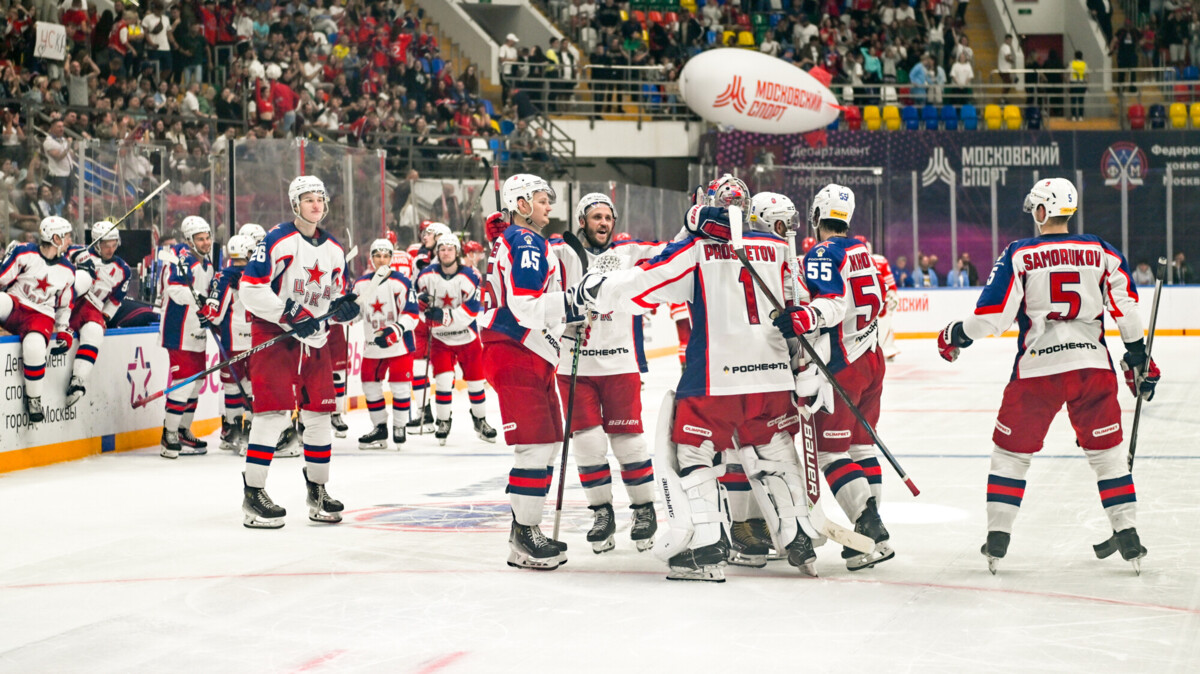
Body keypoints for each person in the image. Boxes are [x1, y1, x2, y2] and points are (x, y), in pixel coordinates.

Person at [572, 191, 819, 582]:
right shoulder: (777, 245)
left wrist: (598, 289)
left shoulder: (698, 248)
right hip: (772, 375)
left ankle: (705, 547)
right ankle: (798, 536)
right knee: (775, 450)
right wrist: (804, 368)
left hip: (714, 378)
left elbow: (647, 283)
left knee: (693, 453)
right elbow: (803, 309)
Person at [938, 178, 1156, 574]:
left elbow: (992, 317)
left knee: (1011, 454)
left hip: (1038, 369)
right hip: (1092, 367)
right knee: (1107, 456)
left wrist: (956, 335)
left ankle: (998, 538)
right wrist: (1138, 355)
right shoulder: (1101, 250)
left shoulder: (1019, 253)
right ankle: (1128, 533)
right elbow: (1126, 307)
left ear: (1042, 211)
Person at [773, 185, 893, 572]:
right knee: (860, 445)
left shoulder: (823, 252)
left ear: (816, 215)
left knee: (830, 451)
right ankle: (877, 532)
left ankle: (867, 526)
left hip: (844, 364)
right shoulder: (861, 250)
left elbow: (832, 302)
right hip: (872, 356)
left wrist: (802, 319)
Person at [238, 175, 360, 529]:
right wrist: (287, 314)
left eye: (320, 198)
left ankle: (318, 491)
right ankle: (253, 495)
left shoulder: (335, 249)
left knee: (320, 417)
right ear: (295, 205)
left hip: (316, 340)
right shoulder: (278, 239)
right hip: (276, 338)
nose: (316, 205)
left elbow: (334, 295)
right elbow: (250, 289)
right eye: (308, 199)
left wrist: (343, 310)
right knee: (272, 415)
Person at [552, 193, 662, 554]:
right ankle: (602, 513)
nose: (603, 223)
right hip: (574, 366)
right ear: (581, 221)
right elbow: (526, 256)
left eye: (607, 217)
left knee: (628, 441)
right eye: (595, 217)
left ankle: (644, 510)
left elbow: (675, 249)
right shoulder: (561, 251)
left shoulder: (630, 253)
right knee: (588, 444)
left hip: (620, 364)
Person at [478, 173, 571, 570]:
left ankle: (524, 530)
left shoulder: (524, 240)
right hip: (516, 347)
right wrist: (573, 306)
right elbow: (526, 306)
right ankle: (525, 533)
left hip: (530, 350)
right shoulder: (527, 240)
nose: (549, 205)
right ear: (521, 204)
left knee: (547, 441)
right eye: (541, 199)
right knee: (534, 443)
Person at [415, 232, 497, 445]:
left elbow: (471, 310)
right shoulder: (426, 275)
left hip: (467, 337)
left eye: (450, 249)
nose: (446, 252)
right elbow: (417, 304)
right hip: (441, 340)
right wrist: (422, 306)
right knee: (443, 381)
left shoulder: (471, 275)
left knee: (476, 382)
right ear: (438, 252)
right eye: (442, 249)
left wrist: (442, 316)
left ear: (457, 252)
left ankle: (480, 420)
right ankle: (443, 421)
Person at [0, 216, 76, 422]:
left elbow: (64, 305)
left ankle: (34, 398)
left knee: (34, 348)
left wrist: (63, 329)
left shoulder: (68, 271)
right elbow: (1, 278)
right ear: (56, 238)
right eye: (67, 236)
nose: (70, 241)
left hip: (41, 315)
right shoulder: (24, 253)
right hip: (16, 304)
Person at [158, 215, 215, 458]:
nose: (206, 242)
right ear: (189, 240)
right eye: (200, 239)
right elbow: (174, 289)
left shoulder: (208, 263)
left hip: (197, 329)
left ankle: (183, 430)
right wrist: (198, 299)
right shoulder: (179, 258)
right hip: (178, 328)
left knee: (197, 382)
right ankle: (168, 434)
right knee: (183, 382)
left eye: (207, 237)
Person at [355, 238, 420, 450]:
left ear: (391, 258)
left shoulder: (402, 282)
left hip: (399, 345)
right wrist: (341, 312)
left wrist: (396, 329)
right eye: (377, 256)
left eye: (385, 256)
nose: (381, 260)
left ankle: (400, 426)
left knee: (400, 387)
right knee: (369, 385)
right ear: (371, 258)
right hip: (372, 346)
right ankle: (380, 427)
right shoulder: (361, 284)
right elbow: (354, 314)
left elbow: (411, 314)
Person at [63, 221, 132, 408]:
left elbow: (116, 300)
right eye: (105, 245)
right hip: (70, 304)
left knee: (94, 333)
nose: (110, 250)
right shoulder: (81, 253)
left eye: (113, 245)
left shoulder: (122, 269)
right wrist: (77, 254)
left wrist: (105, 316)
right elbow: (66, 251)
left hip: (94, 308)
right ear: (95, 243)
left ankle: (77, 381)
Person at [202, 234, 254, 453]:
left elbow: (214, 314)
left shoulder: (223, 275)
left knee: (233, 385)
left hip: (232, 337)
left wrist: (204, 310)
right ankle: (249, 429)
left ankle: (232, 429)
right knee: (252, 385)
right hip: (256, 337)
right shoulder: (259, 273)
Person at [406, 220, 452, 435]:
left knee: (444, 372)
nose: (425, 237)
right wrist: (418, 297)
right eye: (424, 233)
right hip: (422, 321)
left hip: (443, 323)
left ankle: (445, 415)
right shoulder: (420, 259)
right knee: (417, 367)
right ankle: (423, 412)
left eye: (430, 234)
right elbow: (412, 288)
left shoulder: (452, 262)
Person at [1069, 50, 1088, 121]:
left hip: (1073, 83)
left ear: (1075, 56)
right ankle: (1081, 116)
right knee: (1081, 101)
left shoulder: (1072, 63)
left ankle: (1073, 116)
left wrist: (1068, 84)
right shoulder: (1084, 64)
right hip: (1082, 83)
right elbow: (1086, 75)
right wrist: (1086, 84)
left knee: (1073, 100)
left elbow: (1069, 74)